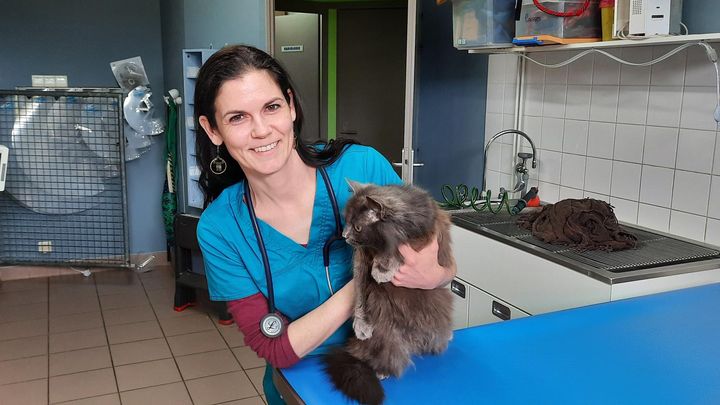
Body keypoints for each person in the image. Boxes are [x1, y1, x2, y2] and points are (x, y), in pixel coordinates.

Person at [194, 44, 456, 404]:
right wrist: (364, 282)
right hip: (309, 383)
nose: (261, 130)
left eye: (271, 107)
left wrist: (435, 275)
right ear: (213, 130)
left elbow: (441, 266)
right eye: (237, 117)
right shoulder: (220, 228)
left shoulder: (361, 170)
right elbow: (276, 348)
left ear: (291, 106)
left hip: (402, 367)